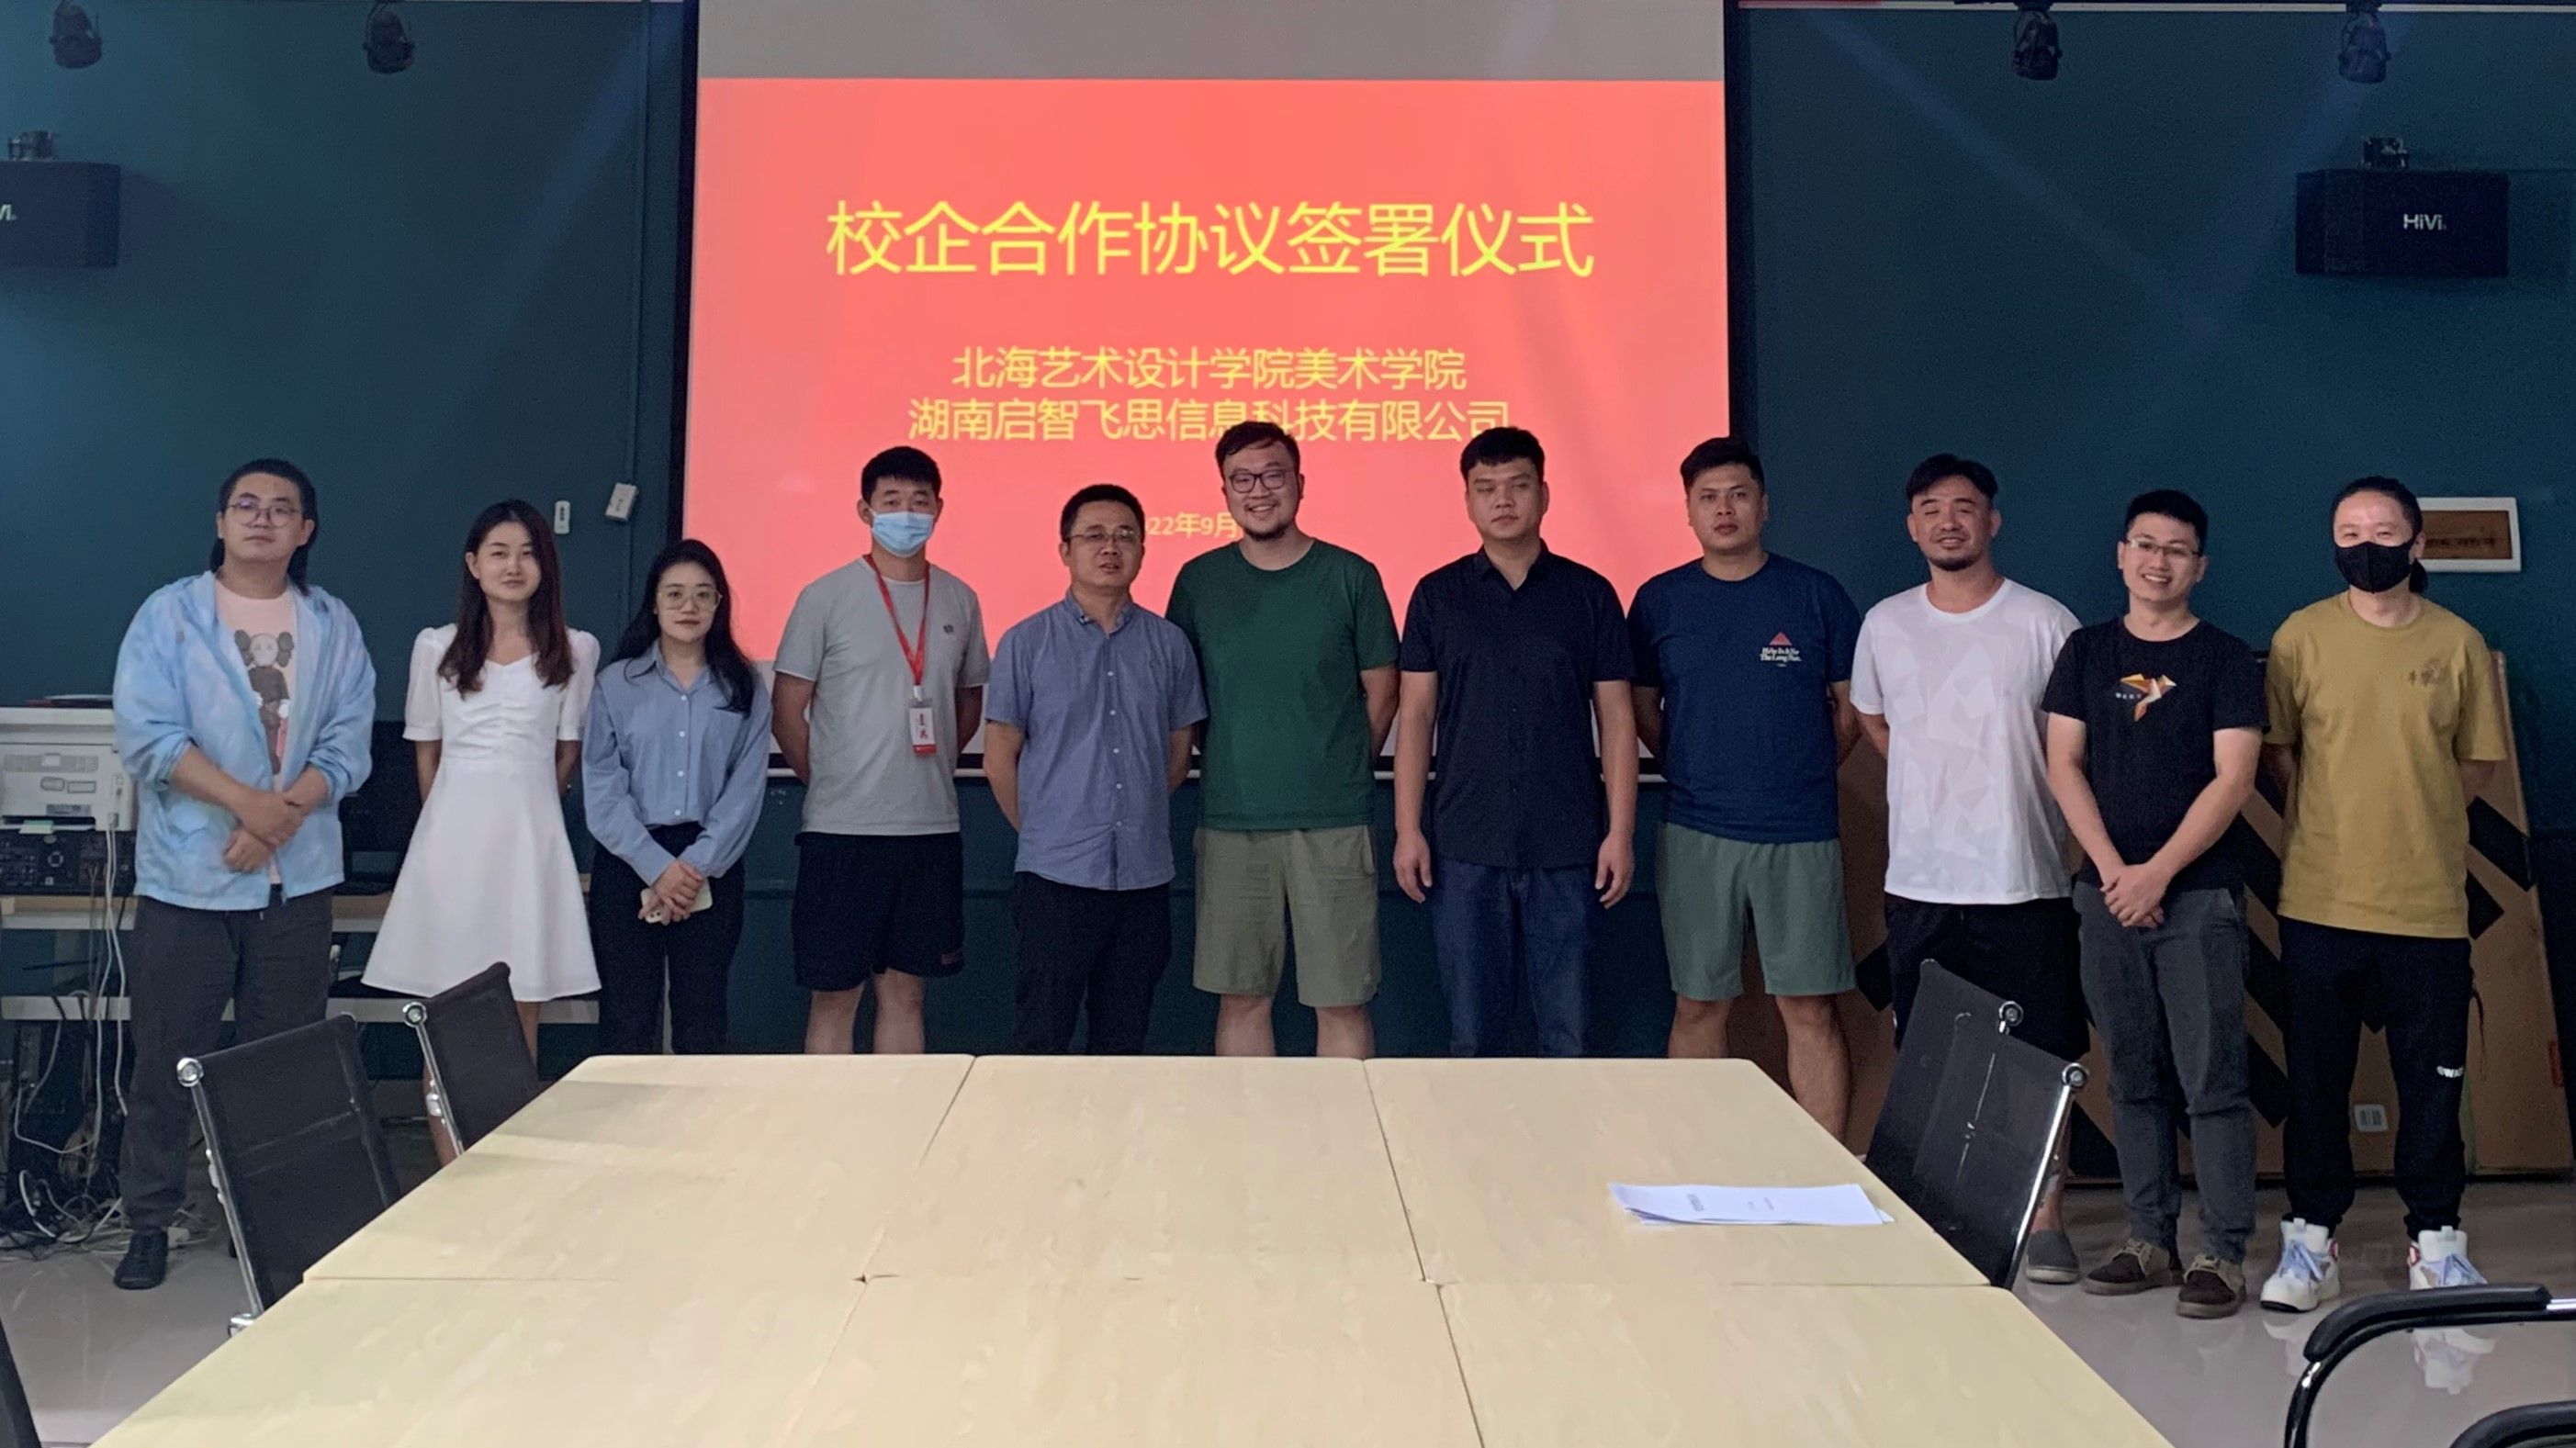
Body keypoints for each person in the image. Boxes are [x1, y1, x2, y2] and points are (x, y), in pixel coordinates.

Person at [109, 459, 377, 1291]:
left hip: (296, 882)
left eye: (282, 508)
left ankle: (266, 1215)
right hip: (189, 879)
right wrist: (248, 808)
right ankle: (150, 1219)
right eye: (247, 505)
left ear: (306, 530)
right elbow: (149, 737)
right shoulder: (169, 615)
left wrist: (280, 815)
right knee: (167, 1057)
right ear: (221, 521)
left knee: (283, 1060)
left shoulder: (333, 623)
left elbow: (348, 745)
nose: (263, 518)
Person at [2257, 477, 2508, 1313]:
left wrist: (2415, 814)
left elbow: (2474, 763)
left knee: (2432, 1083)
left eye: (2382, 530)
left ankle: (2435, 1243)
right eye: (2348, 531)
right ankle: (2309, 1241)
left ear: (2416, 543)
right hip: (2319, 900)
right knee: (2315, 1082)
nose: (2365, 545)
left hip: (2426, 905)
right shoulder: (2299, 636)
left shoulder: (2457, 642)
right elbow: (2281, 752)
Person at [1850, 453, 2084, 1283]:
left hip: (2023, 876)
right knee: (1927, 1052)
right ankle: (1933, 1203)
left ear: (1992, 520)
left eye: (1963, 506)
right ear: (1911, 525)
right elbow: (1875, 722)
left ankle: (2045, 1214)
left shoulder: (2045, 623)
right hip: (1920, 881)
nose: (1946, 521)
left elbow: (2070, 743)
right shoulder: (1884, 624)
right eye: (1929, 508)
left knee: (2039, 1054)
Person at [2042, 489, 2265, 1318]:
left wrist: (2156, 874)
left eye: (2175, 549)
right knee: (2132, 1076)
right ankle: (2148, 1238)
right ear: (2120, 554)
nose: (2156, 561)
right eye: (2144, 544)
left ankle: (2222, 1251)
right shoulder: (2085, 650)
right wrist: (2113, 872)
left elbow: (2233, 779)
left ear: (2198, 566)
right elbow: (2062, 763)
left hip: (2196, 897)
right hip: (2105, 895)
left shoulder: (2225, 658)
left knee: (2211, 1079)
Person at [1629, 438, 1862, 1132]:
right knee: (1698, 1004)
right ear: (1688, 511)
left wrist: (1802, 768)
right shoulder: (1660, 600)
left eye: (1737, 495)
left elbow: (1851, 709)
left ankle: (1823, 1169)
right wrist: (1693, 763)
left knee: (1809, 1007)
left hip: (1800, 830)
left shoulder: (1815, 594)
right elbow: (1642, 709)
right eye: (1708, 498)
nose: (1724, 509)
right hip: (1696, 828)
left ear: (1763, 506)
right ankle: (1699, 1158)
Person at [365, 500, 599, 1162]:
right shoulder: (436, 647)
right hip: (452, 846)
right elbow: (426, 752)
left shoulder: (575, 648)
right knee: (445, 1014)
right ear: (473, 564)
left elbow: (566, 754)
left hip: (529, 844)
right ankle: (452, 1173)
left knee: (520, 1007)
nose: (512, 565)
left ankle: (507, 1173)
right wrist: (452, 828)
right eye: (498, 552)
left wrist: (523, 808)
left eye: (527, 552)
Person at [1393, 427, 1637, 1058]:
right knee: (1474, 1039)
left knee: (1569, 1037)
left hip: (1568, 842)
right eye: (1486, 488)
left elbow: (1617, 718)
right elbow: (1415, 716)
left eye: (1517, 485)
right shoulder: (1436, 595)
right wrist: (1407, 829)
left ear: (1544, 495)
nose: (1502, 500)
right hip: (1464, 844)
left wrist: (1620, 831)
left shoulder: (1589, 594)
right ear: (1468, 501)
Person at [1168, 422, 1400, 1059]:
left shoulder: (1351, 576)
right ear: (1224, 492)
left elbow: (1382, 692)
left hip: (1333, 820)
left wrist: (1338, 763)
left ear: (1299, 482)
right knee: (1241, 998)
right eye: (1241, 479)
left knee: (1341, 999)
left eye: (1273, 475)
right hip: (1231, 819)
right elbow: (1180, 699)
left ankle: (1345, 1127)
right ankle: (1249, 1126)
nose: (1259, 491)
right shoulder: (1198, 581)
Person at [773, 447, 990, 1055]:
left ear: (939, 509)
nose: (907, 514)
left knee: (906, 994)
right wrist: (828, 778)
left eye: (920, 501)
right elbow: (788, 709)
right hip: (842, 832)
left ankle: (901, 1116)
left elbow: (967, 701)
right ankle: (830, 1117)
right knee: (834, 995)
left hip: (929, 829)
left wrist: (931, 765)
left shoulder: (960, 598)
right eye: (892, 501)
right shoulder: (825, 596)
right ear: (864, 510)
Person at [984, 483, 1206, 1053]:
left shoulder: (1170, 645)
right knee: (1042, 1037)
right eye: (1094, 536)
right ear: (1065, 550)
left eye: (1125, 536)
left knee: (1125, 1041)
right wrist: (1043, 830)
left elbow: (1177, 753)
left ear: (1143, 550)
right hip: (1054, 879)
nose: (1111, 547)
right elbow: (1000, 755)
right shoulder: (1025, 642)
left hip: (1142, 878)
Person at [582, 541, 771, 1055]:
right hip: (630, 860)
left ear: (719, 604)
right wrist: (656, 868)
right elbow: (602, 785)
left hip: (711, 862)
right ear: (654, 603)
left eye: (703, 595)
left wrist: (693, 868)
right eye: (675, 594)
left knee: (702, 1019)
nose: (689, 607)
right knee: (626, 1019)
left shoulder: (744, 686)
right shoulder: (616, 684)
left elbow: (745, 788)